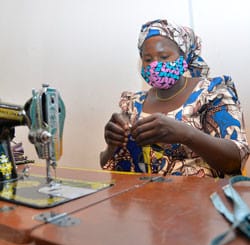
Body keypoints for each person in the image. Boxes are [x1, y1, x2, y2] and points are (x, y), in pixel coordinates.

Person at [100, 19, 249, 178]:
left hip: (205, 199)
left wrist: (186, 134)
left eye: (164, 56)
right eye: (148, 59)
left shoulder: (211, 92)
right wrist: (112, 145)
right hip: (146, 199)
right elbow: (112, 167)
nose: (155, 65)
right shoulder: (133, 103)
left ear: (184, 58)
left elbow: (235, 161)